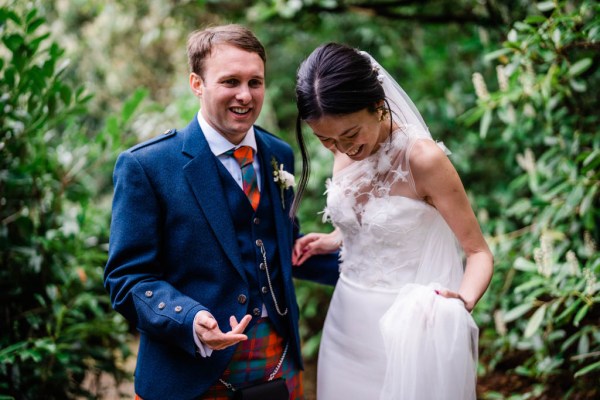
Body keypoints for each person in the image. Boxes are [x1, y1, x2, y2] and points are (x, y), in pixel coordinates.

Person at [104, 25, 338, 400]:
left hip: (276, 360)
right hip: (188, 370)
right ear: (197, 84)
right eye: (230, 81)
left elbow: (280, 249)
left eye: (255, 82)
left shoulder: (279, 154)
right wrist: (189, 319)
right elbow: (128, 278)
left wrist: (376, 268)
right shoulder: (147, 166)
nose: (245, 95)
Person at [291, 43, 494, 400]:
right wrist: (336, 237)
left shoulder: (423, 159)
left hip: (410, 331)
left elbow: (478, 252)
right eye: (325, 140)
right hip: (346, 322)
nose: (343, 148)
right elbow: (367, 216)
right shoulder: (344, 149)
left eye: (351, 135)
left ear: (378, 105)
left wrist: (460, 303)